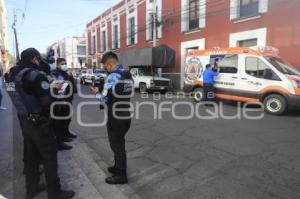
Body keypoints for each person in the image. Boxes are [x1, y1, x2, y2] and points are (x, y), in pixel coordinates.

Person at [10, 48, 74, 199]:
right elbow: (46, 102)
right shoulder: (36, 76)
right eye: (38, 59)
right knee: (49, 158)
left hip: (24, 121)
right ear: (34, 59)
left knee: (31, 158)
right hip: (40, 122)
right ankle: (55, 192)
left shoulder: (11, 75)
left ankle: (31, 188)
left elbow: (17, 95)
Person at [90, 51, 133, 184]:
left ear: (109, 64)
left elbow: (103, 98)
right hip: (126, 113)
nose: (105, 69)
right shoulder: (127, 74)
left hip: (115, 116)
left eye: (105, 67)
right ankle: (117, 167)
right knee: (119, 143)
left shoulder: (113, 77)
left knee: (117, 146)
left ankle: (121, 175)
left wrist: (97, 92)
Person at [50, 58, 77, 151]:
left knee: (67, 118)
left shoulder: (66, 73)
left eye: (65, 63)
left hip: (68, 99)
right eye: (62, 64)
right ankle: (59, 141)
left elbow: (72, 85)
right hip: (61, 101)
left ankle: (65, 134)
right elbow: (57, 89)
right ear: (57, 65)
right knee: (59, 122)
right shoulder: (55, 74)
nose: (64, 65)